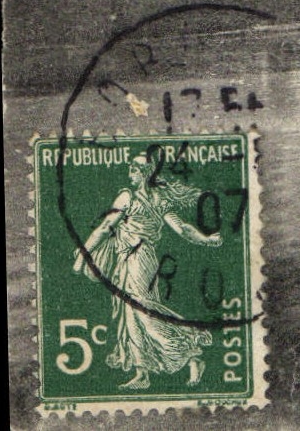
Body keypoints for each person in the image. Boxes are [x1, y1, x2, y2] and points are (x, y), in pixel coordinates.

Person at [74, 154, 221, 389]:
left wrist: (84, 250)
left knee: (141, 312)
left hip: (136, 259)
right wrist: (206, 240)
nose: (129, 173)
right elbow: (183, 229)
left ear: (142, 173)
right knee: (131, 315)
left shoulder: (127, 197)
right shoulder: (158, 199)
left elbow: (104, 227)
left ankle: (191, 348)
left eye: (132, 169)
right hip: (139, 260)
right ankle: (142, 374)